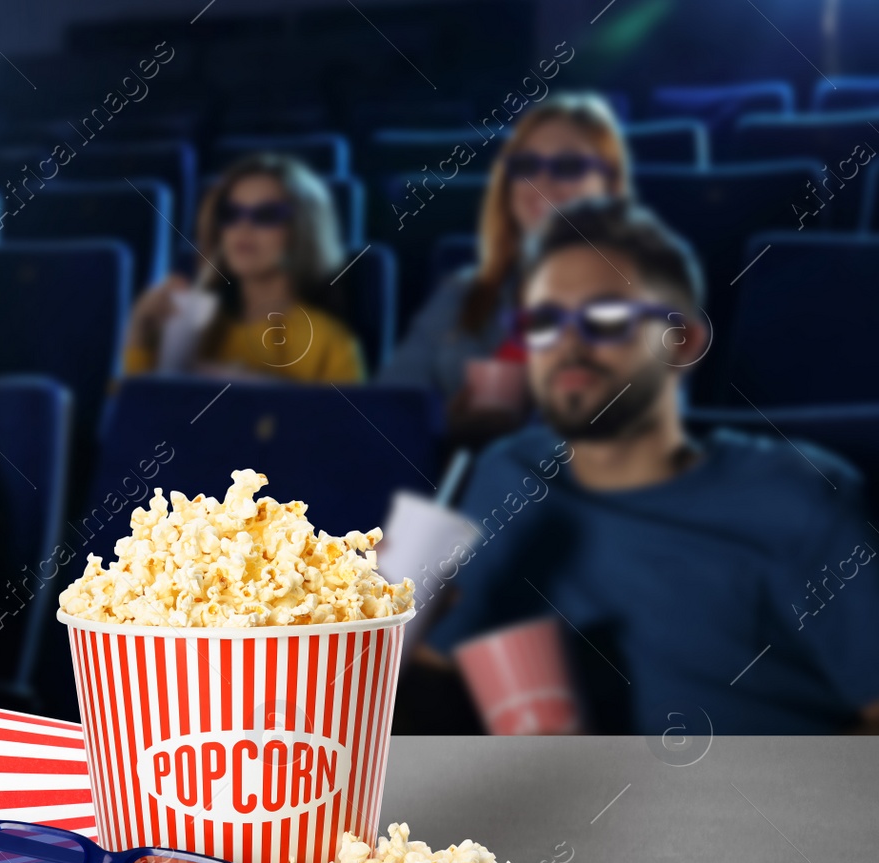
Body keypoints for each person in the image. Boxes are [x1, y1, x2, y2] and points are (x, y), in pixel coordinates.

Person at [418, 197, 879, 734]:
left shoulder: (799, 497)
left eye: (606, 318)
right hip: (555, 796)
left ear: (682, 342)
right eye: (542, 322)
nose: (568, 345)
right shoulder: (506, 472)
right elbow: (444, 667)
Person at [381, 94, 629, 442]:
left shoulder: (645, 295)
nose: (542, 182)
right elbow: (386, 411)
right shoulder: (462, 290)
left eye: (569, 166)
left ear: (609, 185)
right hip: (446, 486)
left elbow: (647, 438)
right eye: (526, 166)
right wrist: (448, 422)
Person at [124, 153, 365, 383]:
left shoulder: (332, 343)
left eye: (266, 214)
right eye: (231, 214)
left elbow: (343, 425)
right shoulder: (194, 328)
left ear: (303, 229)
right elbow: (133, 419)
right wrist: (139, 332)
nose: (243, 226)